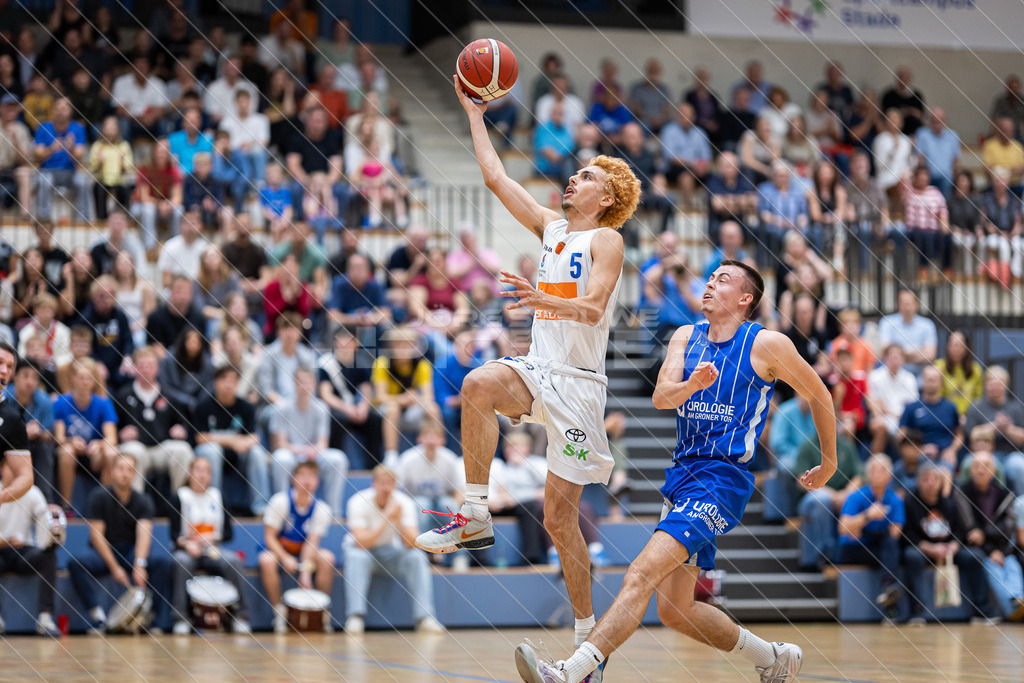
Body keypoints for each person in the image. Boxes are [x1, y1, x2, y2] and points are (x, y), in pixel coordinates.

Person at [515, 260, 837, 683]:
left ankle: (574, 673)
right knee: (675, 610)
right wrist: (692, 385)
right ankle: (773, 657)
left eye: (722, 280)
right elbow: (662, 397)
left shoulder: (767, 344)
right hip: (683, 475)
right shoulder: (686, 335)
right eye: (710, 277)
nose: (710, 284)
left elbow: (819, 394)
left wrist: (829, 461)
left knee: (640, 573)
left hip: (721, 480)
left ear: (746, 299)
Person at [417, 76, 640, 665]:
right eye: (576, 173)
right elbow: (496, 177)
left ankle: (587, 646)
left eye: (586, 177)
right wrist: (474, 113)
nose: (573, 179)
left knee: (559, 522)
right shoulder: (552, 227)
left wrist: (542, 299)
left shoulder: (607, 242)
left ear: (606, 198)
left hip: (581, 387)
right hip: (539, 368)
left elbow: (595, 306)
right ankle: (474, 514)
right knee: (477, 383)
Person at [67, 452, 172, 631]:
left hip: (130, 551)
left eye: (129, 470)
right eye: (121, 468)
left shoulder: (143, 500)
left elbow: (144, 533)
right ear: (113, 471)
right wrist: (114, 567)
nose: (125, 473)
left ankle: (151, 619)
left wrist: (139, 564)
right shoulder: (99, 496)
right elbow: (97, 536)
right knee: (75, 564)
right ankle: (97, 617)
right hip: (103, 552)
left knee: (162, 563)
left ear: (134, 474)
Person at [343, 465, 445, 634]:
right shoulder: (358, 501)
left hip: (390, 551)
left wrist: (398, 522)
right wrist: (386, 519)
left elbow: (412, 543)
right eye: (382, 483)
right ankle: (355, 617)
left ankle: (425, 617)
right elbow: (361, 542)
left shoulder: (404, 503)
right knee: (356, 556)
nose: (386, 488)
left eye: (390, 483)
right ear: (373, 484)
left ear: (395, 485)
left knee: (417, 556)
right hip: (365, 553)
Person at [169, 457, 251, 635]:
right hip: (188, 550)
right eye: (198, 470)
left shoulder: (218, 496)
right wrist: (187, 545)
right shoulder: (180, 497)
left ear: (211, 476)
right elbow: (174, 535)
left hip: (212, 549)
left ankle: (240, 616)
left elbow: (228, 533)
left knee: (234, 561)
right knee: (181, 562)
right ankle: (181, 618)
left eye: (206, 471)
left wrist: (212, 538)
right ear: (190, 473)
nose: (202, 474)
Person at [902, 461, 991, 624]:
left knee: (975, 556)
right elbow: (906, 534)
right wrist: (928, 547)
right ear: (918, 482)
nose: (931, 483)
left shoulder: (949, 503)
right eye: (926, 479)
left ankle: (981, 611)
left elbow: (959, 531)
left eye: (935, 479)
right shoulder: (910, 502)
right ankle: (916, 612)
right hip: (923, 549)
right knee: (912, 556)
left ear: (941, 482)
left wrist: (954, 545)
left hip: (948, 550)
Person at [258, 461, 336, 634]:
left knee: (327, 558)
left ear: (317, 481)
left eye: (312, 476)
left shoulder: (322, 508)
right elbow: (269, 537)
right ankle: (279, 613)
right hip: (280, 549)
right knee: (266, 560)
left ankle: (321, 613)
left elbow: (312, 543)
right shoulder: (280, 501)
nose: (307, 481)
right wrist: (285, 557)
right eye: (303, 475)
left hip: (304, 551)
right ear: (294, 479)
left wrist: (305, 572)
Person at [269, 367, 349, 516]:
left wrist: (313, 450)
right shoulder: (281, 407)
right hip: (292, 455)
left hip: (314, 456)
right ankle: (282, 510)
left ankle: (333, 512)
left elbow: (323, 443)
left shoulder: (322, 408)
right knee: (280, 458)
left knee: (338, 459)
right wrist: (303, 450)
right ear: (294, 384)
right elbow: (280, 444)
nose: (304, 386)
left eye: (308, 382)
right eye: (301, 382)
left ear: (314, 384)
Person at [114, 346, 194, 494]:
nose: (146, 370)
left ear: (157, 368)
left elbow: (183, 424)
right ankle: (136, 502)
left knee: (182, 450)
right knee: (132, 451)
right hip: (137, 447)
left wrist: (181, 430)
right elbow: (113, 426)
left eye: (150, 365)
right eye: (142, 366)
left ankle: (180, 501)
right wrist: (120, 434)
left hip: (162, 448)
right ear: (135, 368)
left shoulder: (169, 396)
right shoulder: (123, 396)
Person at [959, 451, 1024, 621]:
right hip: (977, 548)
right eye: (976, 466)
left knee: (1012, 564)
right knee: (992, 566)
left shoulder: (1005, 494)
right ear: (970, 470)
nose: (980, 470)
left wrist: (991, 540)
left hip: (1003, 547)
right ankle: (1013, 610)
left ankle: (1018, 600)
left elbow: (1008, 527)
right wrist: (990, 550)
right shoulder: (962, 493)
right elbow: (969, 528)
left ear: (994, 470)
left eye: (985, 466)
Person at [836, 455, 905, 611]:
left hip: (878, 546)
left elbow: (895, 533)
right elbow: (843, 528)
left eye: (882, 470)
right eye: (874, 470)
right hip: (854, 548)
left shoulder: (894, 499)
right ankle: (889, 593)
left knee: (891, 545)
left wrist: (859, 527)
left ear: (889, 476)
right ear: (868, 474)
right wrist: (868, 516)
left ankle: (889, 591)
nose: (878, 474)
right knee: (890, 555)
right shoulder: (856, 496)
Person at [0, 458, 61, 635]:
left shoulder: (32, 492)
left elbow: (45, 520)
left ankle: (45, 618)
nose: (15, 472)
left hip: (24, 552)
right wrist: (5, 541)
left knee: (49, 555)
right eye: (10, 467)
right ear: (2, 468)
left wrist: (54, 524)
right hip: (1, 551)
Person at [794, 420, 863, 570]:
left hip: (843, 493)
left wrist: (845, 494)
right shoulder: (807, 446)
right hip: (815, 493)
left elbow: (858, 476)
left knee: (857, 499)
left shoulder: (846, 445)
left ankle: (851, 555)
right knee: (822, 501)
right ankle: (825, 553)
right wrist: (829, 493)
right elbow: (800, 480)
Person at [53, 359, 118, 508]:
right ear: (73, 378)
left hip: (95, 454)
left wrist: (99, 444)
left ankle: (104, 506)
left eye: (89, 378)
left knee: (111, 453)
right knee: (66, 451)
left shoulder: (104, 403)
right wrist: (71, 441)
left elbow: (112, 438)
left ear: (94, 381)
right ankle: (67, 506)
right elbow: (59, 438)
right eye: (81, 377)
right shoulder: (61, 402)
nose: (85, 382)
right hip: (72, 451)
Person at [963, 366, 1024, 497]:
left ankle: (1021, 505)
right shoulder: (976, 407)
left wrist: (1008, 429)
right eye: (992, 384)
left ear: (1006, 385)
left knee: (1019, 466)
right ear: (985, 385)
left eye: (999, 384)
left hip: (1010, 455)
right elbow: (972, 434)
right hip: (983, 453)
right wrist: (995, 426)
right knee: (969, 463)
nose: (995, 387)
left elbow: (1022, 436)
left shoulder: (1015, 408)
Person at [4, 360, 56, 503]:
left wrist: (39, 432)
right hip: (7, 445)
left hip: (33, 444)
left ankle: (46, 501)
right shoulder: (4, 397)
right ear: (15, 376)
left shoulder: (44, 401)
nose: (30, 381)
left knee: (44, 448)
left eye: (34, 377)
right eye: (26, 376)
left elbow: (49, 434)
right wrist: (22, 432)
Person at [899, 365, 962, 471]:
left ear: (941, 383)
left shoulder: (950, 407)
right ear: (922, 381)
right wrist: (919, 450)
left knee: (945, 471)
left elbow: (959, 434)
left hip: (945, 456)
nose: (931, 382)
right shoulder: (911, 408)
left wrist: (952, 450)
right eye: (928, 379)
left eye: (935, 379)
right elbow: (901, 435)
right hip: (919, 457)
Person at [867, 345, 920, 456]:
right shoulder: (875, 376)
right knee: (879, 426)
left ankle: (903, 465)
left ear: (903, 359)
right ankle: (875, 461)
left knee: (905, 431)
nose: (895, 360)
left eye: (898, 357)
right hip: (883, 417)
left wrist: (903, 420)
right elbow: (873, 402)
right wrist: (881, 414)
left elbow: (913, 405)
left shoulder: (910, 378)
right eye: (892, 356)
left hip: (903, 419)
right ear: (886, 358)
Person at [0, 340, 35, 507]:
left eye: (9, 366)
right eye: (0, 362)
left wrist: (2, 497)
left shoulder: (12, 419)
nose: (4, 371)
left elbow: (26, 476)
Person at [877, 289, 937, 376]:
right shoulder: (887, 322)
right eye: (904, 303)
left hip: (919, 374)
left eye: (909, 303)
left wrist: (900, 353)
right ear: (897, 304)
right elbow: (884, 351)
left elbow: (930, 355)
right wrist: (919, 351)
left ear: (917, 304)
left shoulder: (927, 325)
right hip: (893, 373)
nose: (907, 307)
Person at [935, 330, 983, 417]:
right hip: (945, 415)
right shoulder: (939, 366)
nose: (956, 349)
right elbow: (937, 396)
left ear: (966, 348)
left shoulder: (976, 369)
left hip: (969, 416)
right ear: (948, 347)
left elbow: (978, 398)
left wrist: (967, 415)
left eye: (960, 345)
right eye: (953, 345)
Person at [915, 108, 960, 197]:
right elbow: (920, 159)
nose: (936, 124)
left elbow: (956, 160)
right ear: (930, 121)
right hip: (928, 175)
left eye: (939, 121)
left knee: (947, 179)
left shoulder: (952, 136)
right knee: (922, 178)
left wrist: (957, 176)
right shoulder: (923, 134)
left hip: (946, 177)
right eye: (933, 121)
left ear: (944, 121)